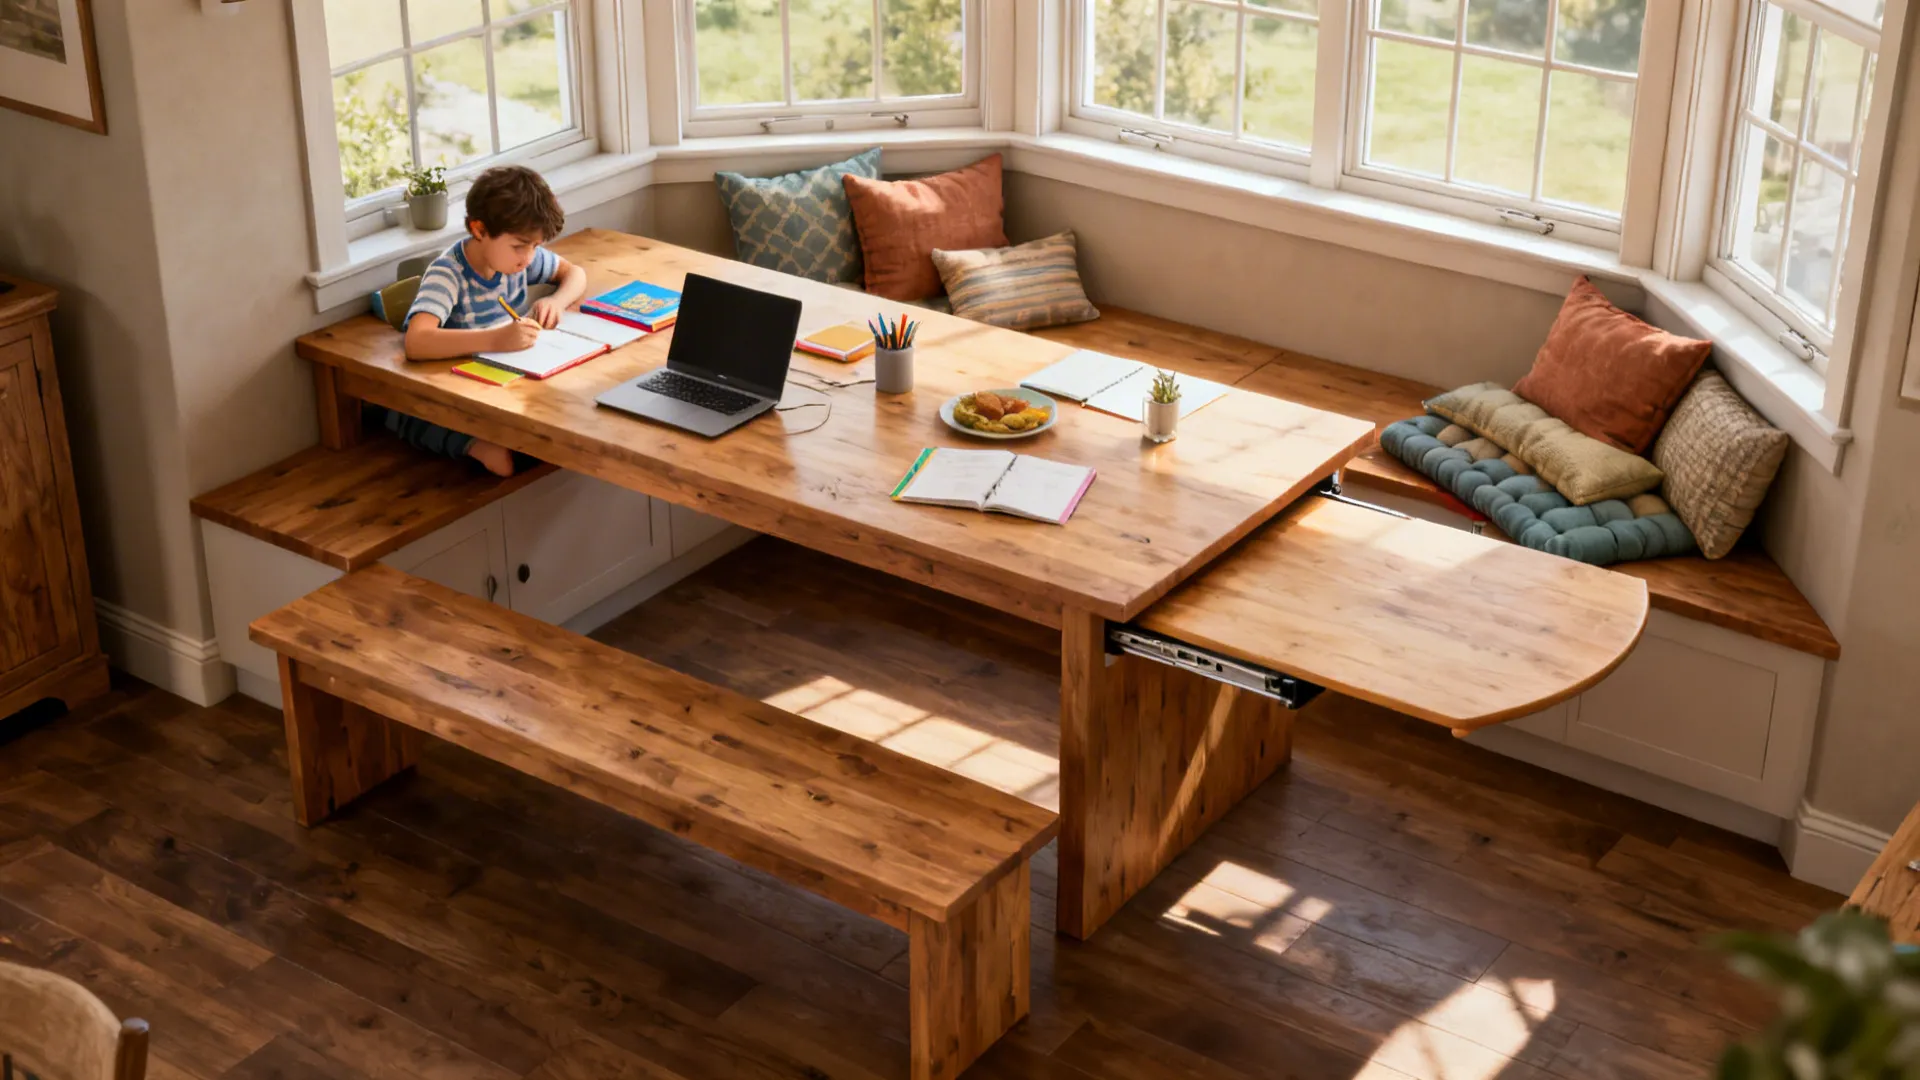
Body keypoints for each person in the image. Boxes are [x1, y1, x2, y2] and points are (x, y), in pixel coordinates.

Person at [387, 165, 587, 476]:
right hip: (454, 382)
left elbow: (575, 273)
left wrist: (556, 301)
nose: (529, 258)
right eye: (520, 246)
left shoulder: (515, 263)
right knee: (412, 413)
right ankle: (475, 445)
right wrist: (496, 340)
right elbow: (416, 342)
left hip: (502, 378)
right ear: (479, 230)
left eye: (535, 246)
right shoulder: (448, 274)